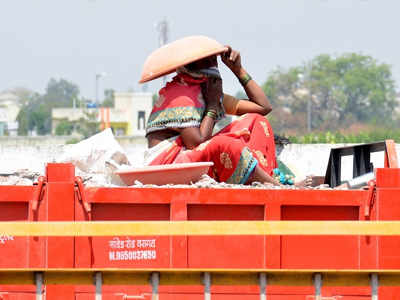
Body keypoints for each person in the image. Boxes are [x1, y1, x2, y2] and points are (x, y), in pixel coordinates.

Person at [143, 39, 294, 186]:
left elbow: (263, 107)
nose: (213, 64)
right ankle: (275, 185)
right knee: (224, 144)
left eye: (213, 59)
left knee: (256, 121)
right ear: (191, 65)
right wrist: (213, 107)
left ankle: (267, 180)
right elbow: (195, 144)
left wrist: (238, 70)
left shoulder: (206, 93)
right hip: (168, 165)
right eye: (207, 60)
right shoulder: (180, 94)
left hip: (194, 160)